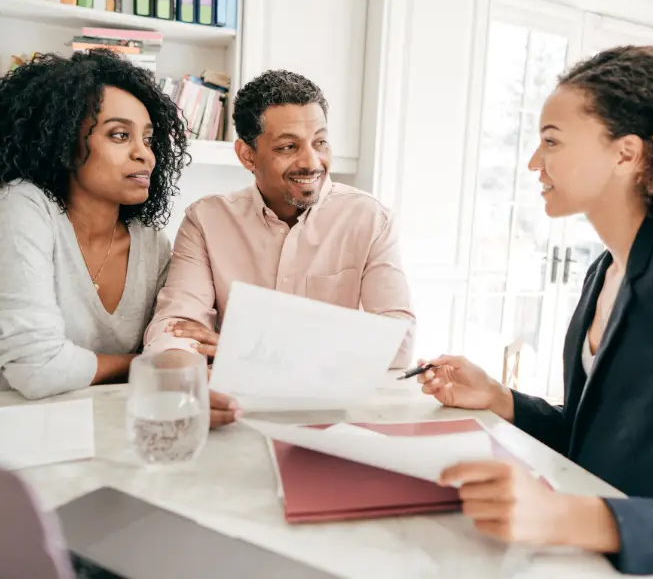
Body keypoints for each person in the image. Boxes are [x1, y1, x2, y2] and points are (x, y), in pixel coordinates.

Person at [418, 46, 653, 576]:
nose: (534, 163)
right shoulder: (608, 268)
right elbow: (597, 434)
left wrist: (569, 518)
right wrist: (501, 399)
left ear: (626, 154)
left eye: (551, 141)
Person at [143, 70, 415, 402]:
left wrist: (249, 348)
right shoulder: (206, 220)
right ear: (247, 155)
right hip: (234, 401)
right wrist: (186, 382)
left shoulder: (371, 219)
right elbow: (175, 328)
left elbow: (398, 342)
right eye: (288, 146)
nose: (312, 162)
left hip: (330, 406)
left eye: (320, 142)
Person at [0, 50, 191, 399]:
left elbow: (172, 340)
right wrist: (142, 364)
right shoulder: (21, 206)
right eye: (120, 135)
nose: (144, 154)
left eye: (148, 139)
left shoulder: (150, 242)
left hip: (111, 424)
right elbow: (36, 369)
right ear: (64, 141)